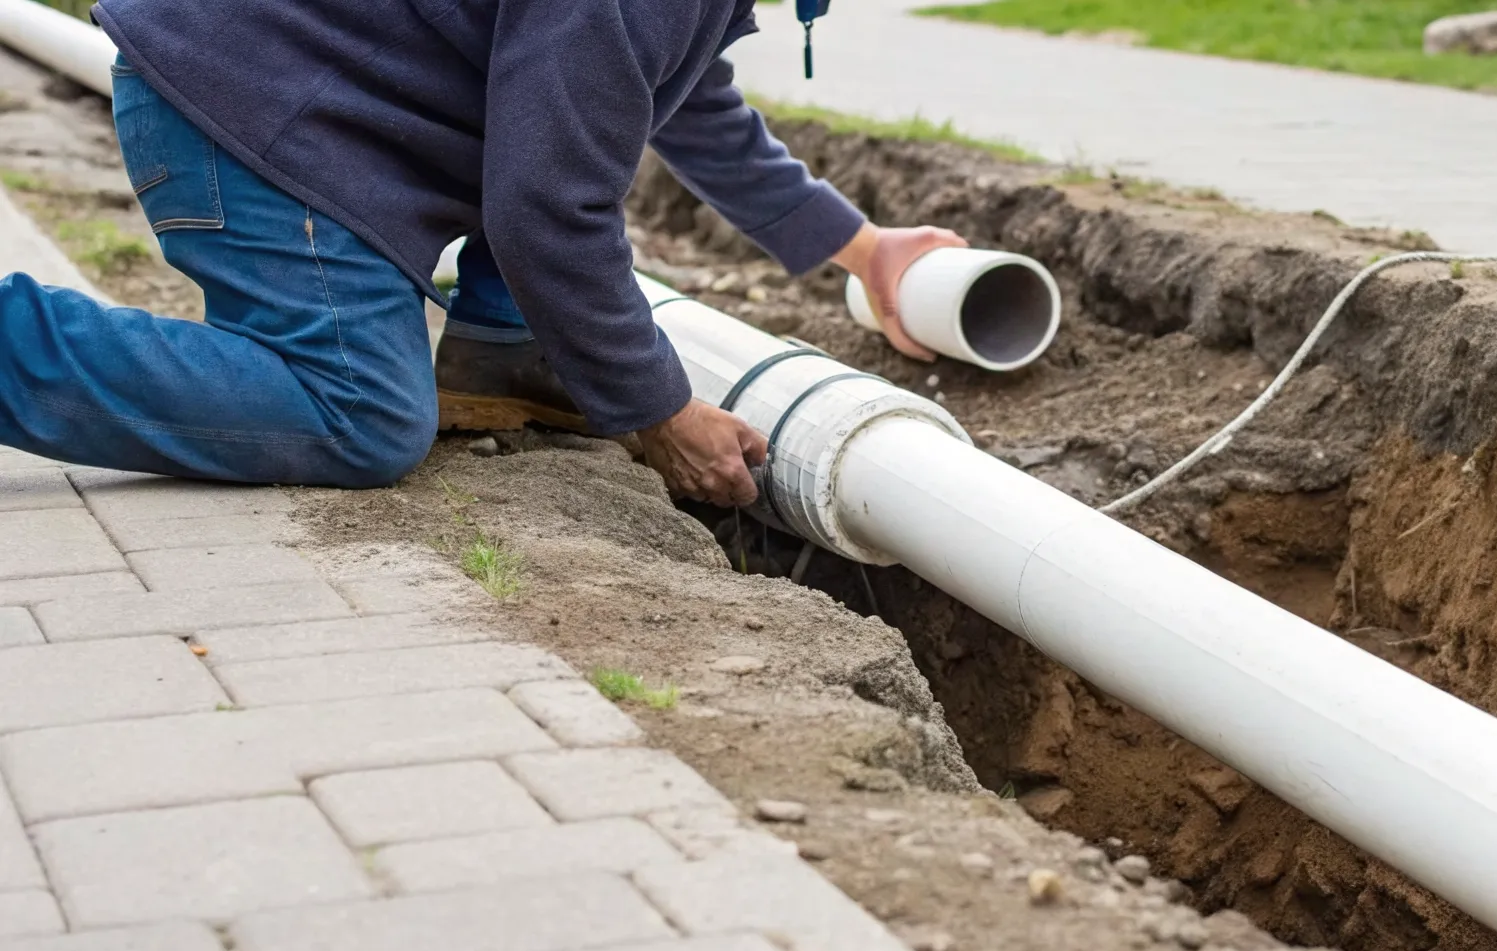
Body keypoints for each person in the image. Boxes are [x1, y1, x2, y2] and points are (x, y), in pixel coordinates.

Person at [0, 0, 959, 508]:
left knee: (579, 123)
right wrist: (660, 410)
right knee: (359, 415)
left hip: (295, 95)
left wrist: (866, 250)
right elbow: (547, 205)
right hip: (251, 115)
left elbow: (689, 101)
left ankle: (504, 348)